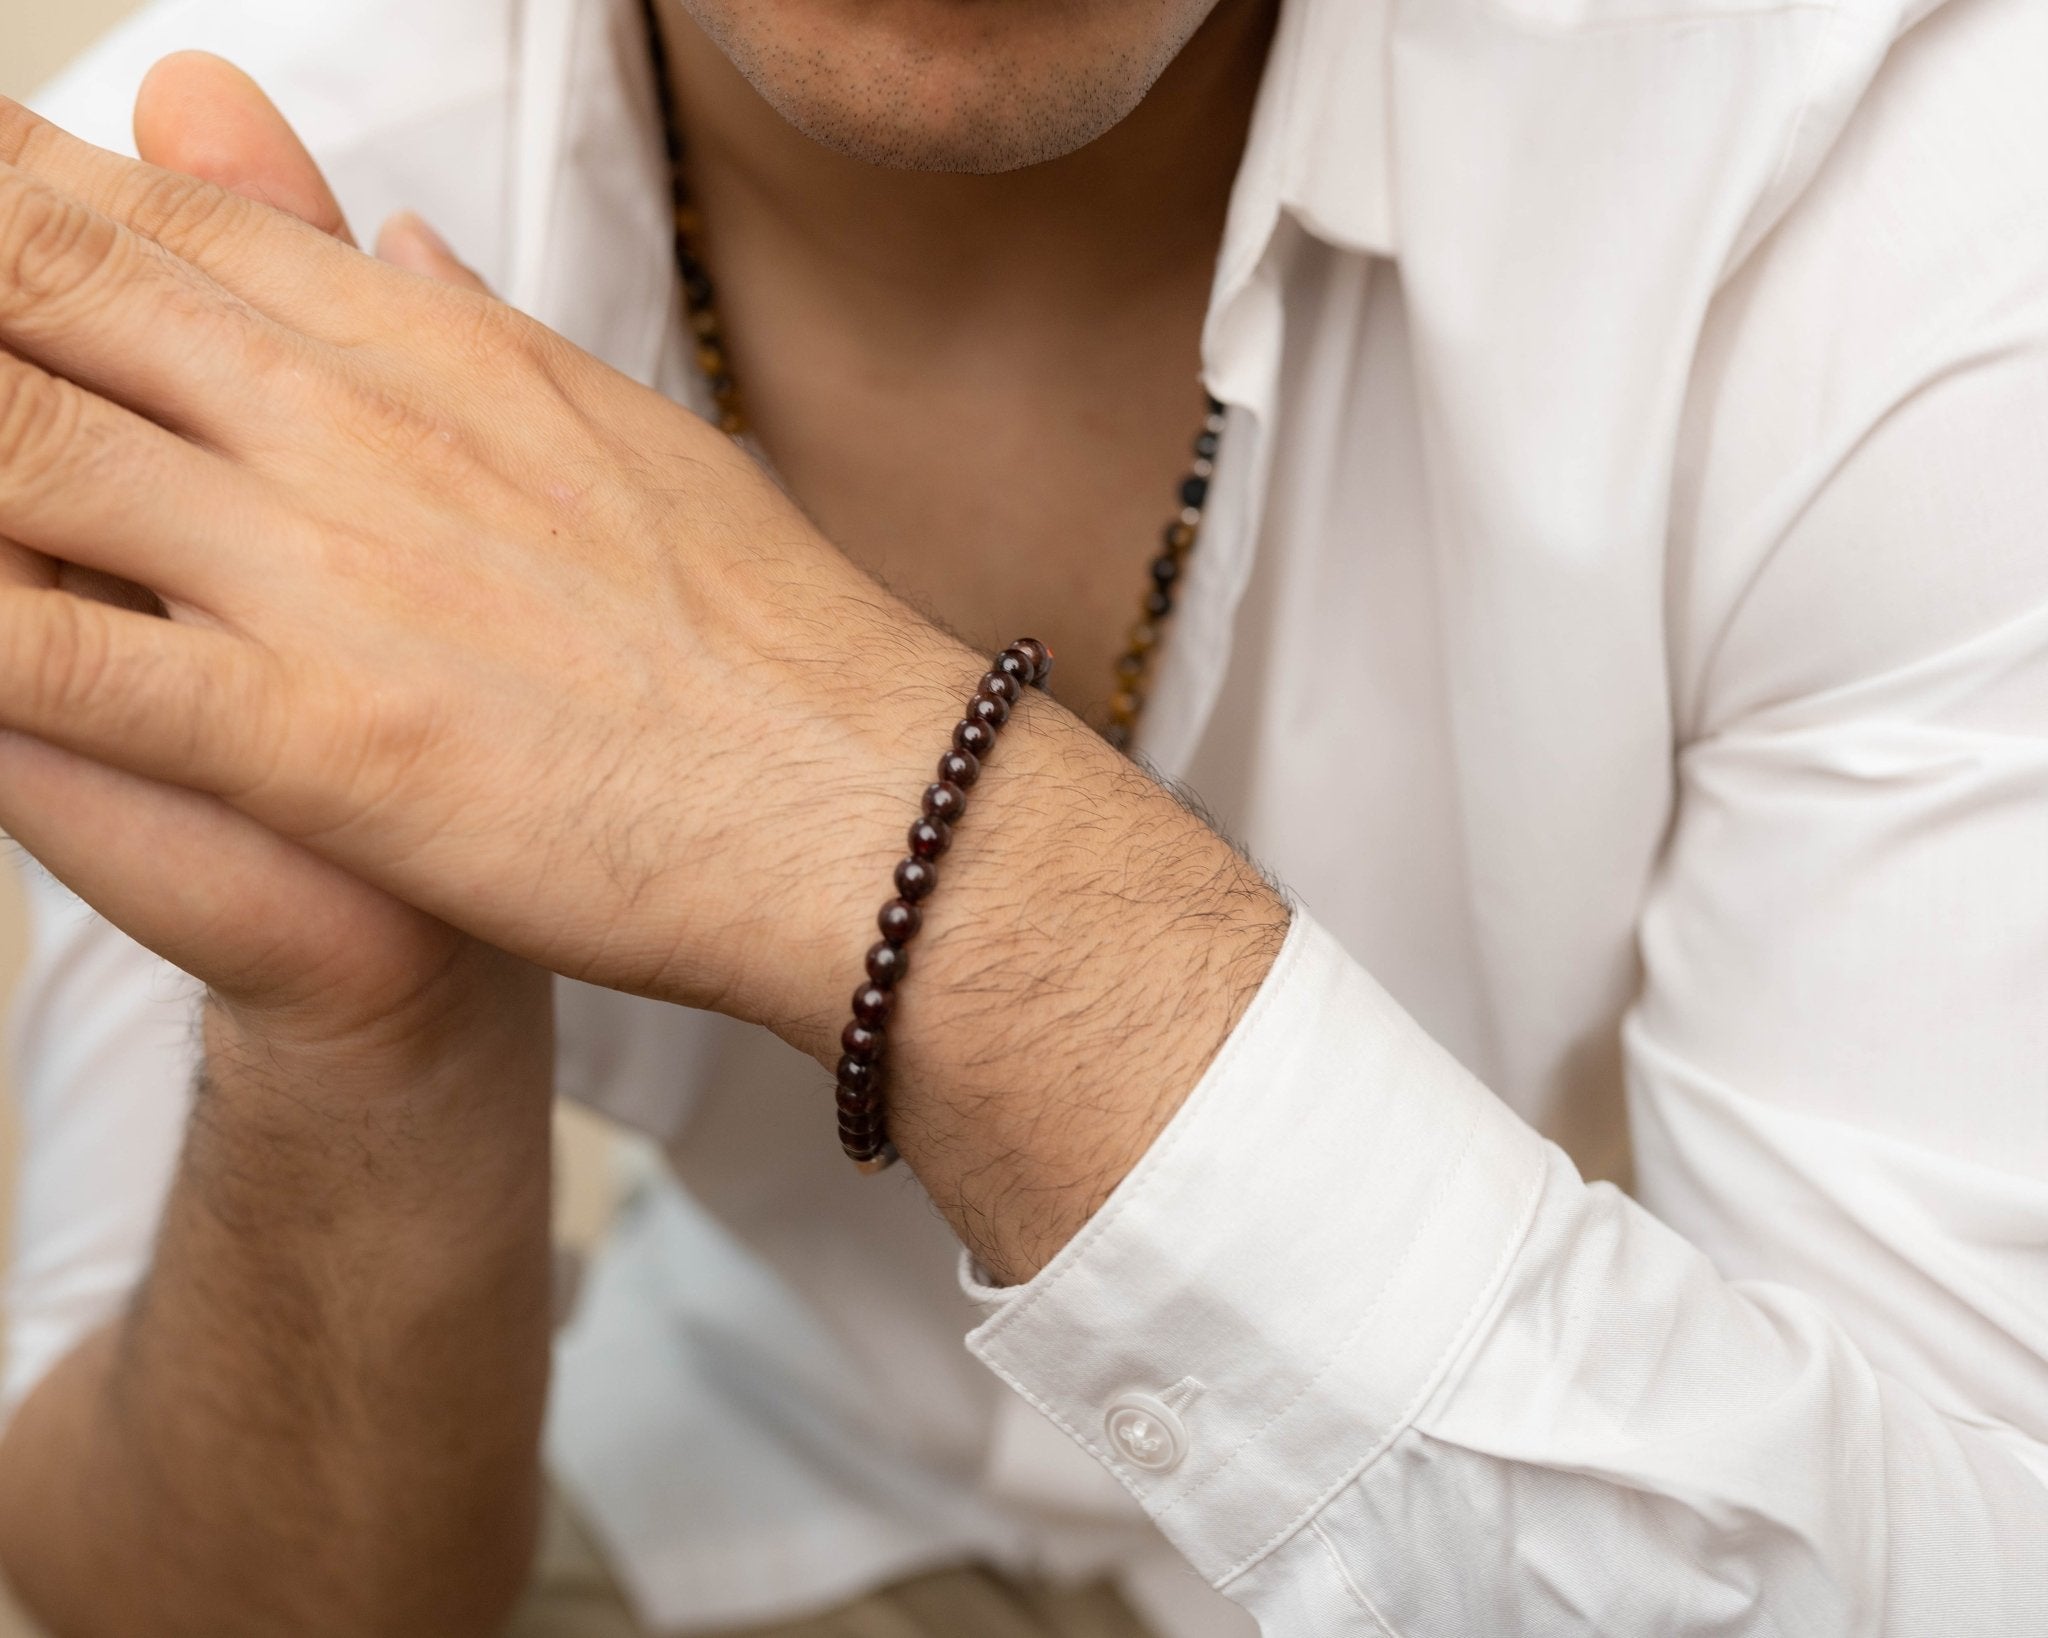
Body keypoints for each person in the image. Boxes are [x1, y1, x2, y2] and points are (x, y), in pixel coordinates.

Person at [0, 0, 2044, 1632]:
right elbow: (189, 1596)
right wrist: (365, 1044)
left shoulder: (1891, 161)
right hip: (745, 1481)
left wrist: (861, 800)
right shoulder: (235, 188)